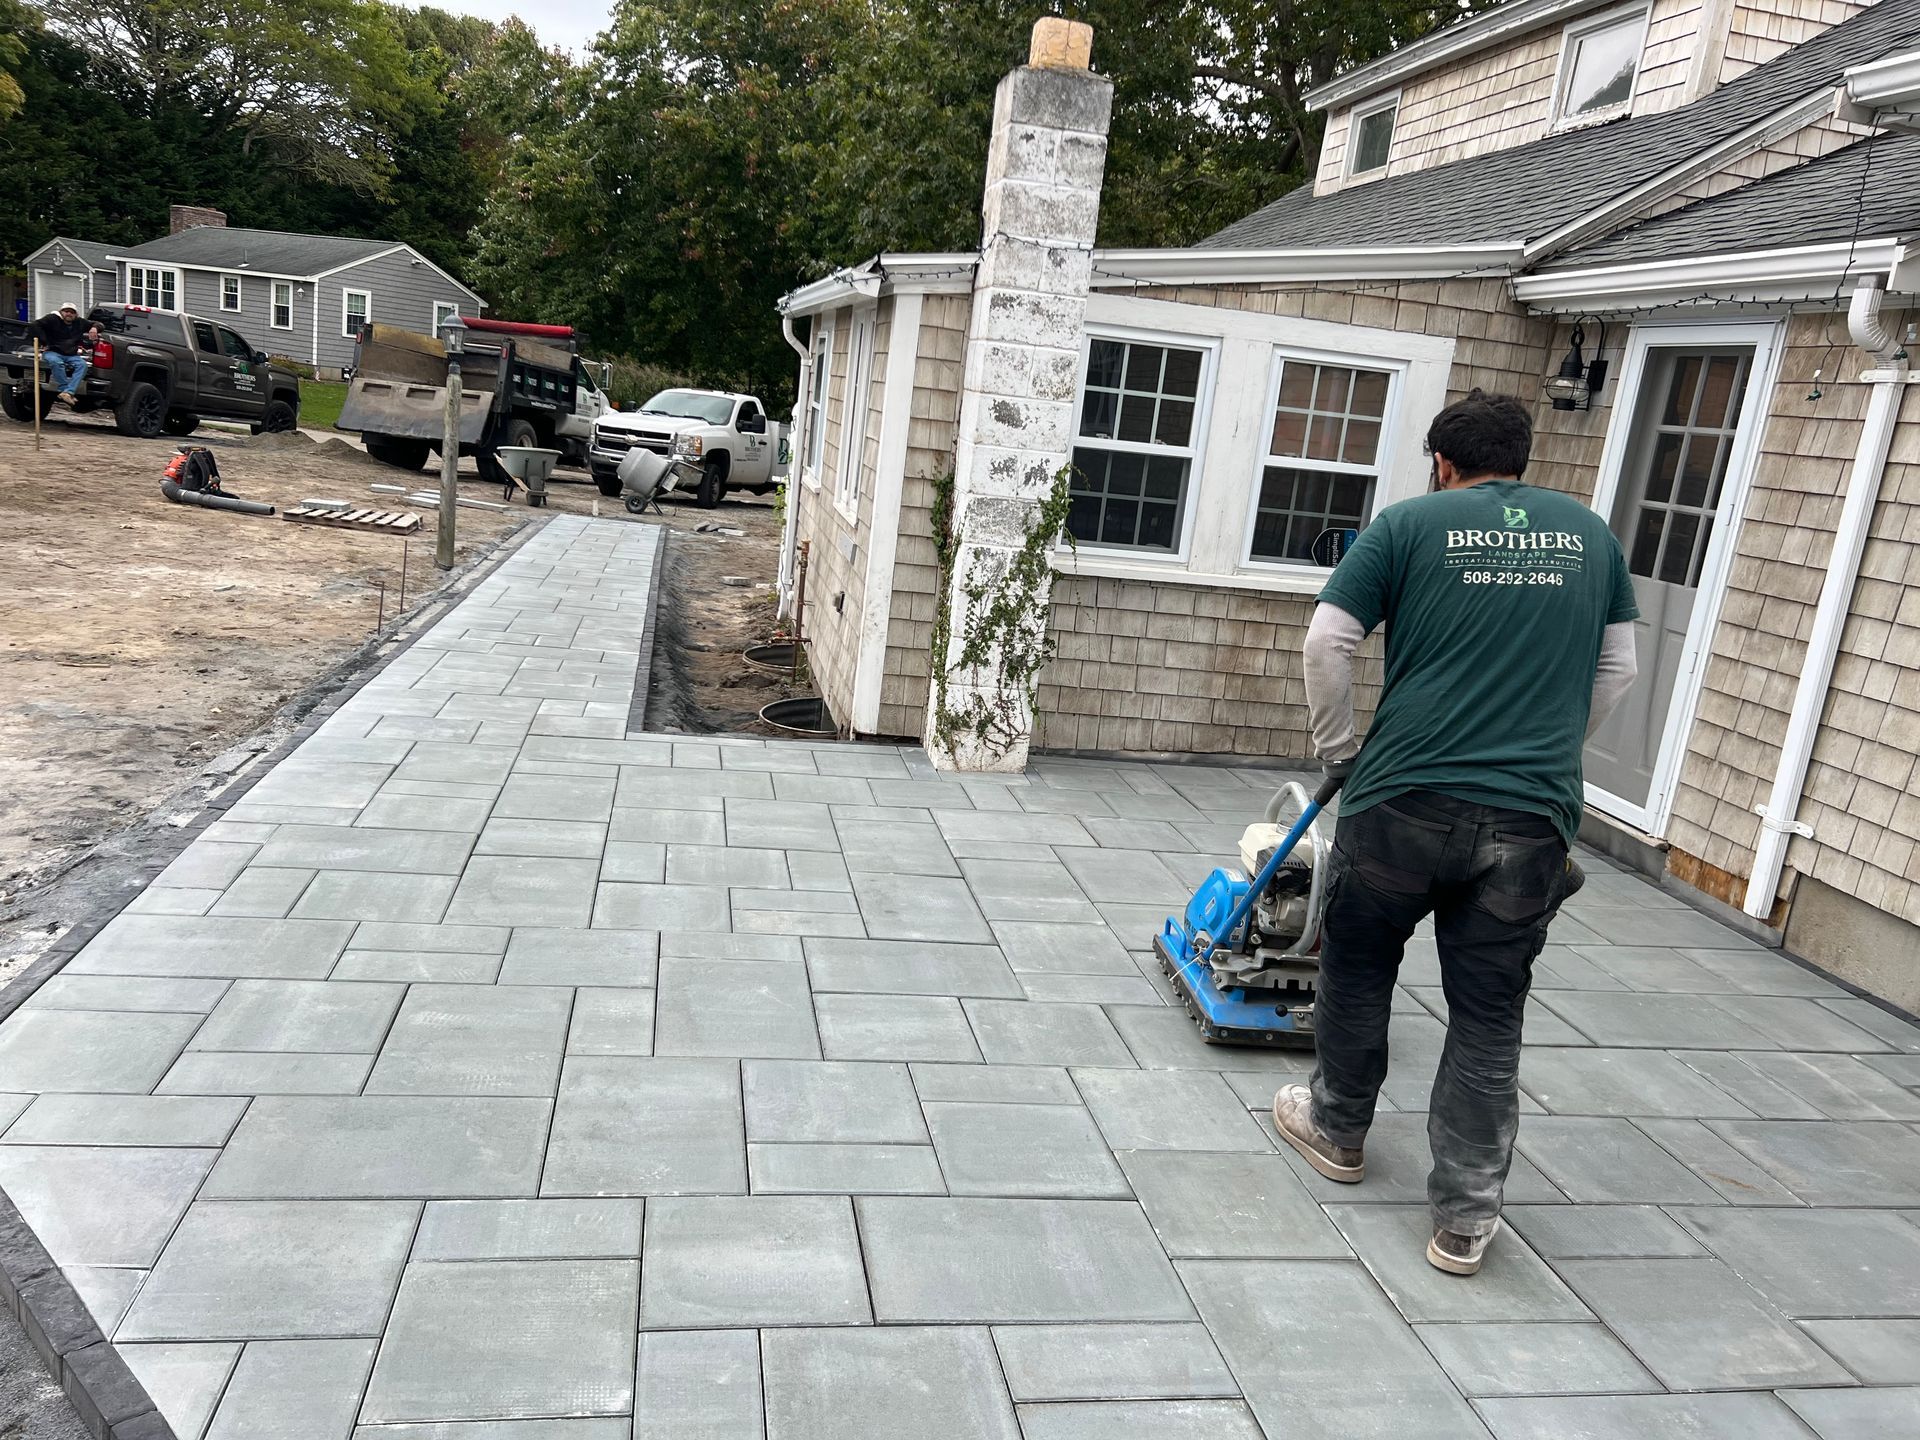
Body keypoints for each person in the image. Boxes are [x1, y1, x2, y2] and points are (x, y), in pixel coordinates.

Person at [1271, 390, 1638, 1277]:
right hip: (1528, 822)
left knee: (1359, 966)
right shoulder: (1591, 538)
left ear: (1442, 461)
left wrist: (1340, 750)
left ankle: (1338, 1129)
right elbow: (1619, 668)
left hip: (1401, 800)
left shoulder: (1408, 525)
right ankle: (1465, 1219)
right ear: (1522, 459)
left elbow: (1328, 642)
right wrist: (1546, 753)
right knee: (1487, 1012)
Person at [26, 303, 100, 405]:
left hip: (71, 355)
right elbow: (34, 325)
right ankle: (64, 389)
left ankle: (68, 392)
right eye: (66, 311)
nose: (69, 314)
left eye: (72, 312)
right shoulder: (52, 319)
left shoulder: (80, 322)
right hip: (52, 352)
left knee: (82, 365)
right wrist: (44, 341)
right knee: (56, 363)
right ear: (61, 312)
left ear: (76, 314)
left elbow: (100, 324)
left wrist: (94, 328)